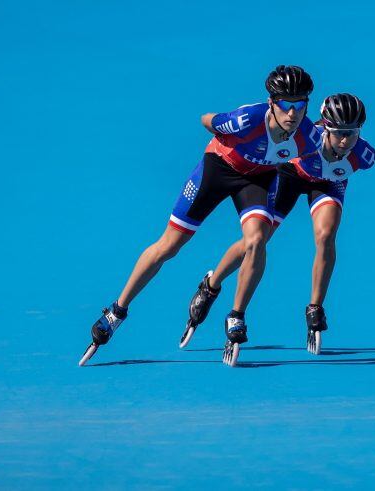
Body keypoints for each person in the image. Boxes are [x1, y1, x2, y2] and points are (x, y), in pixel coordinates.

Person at [79, 65, 319, 366]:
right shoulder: (247, 120)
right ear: (272, 102)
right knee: (169, 247)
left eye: (300, 105)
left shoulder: (309, 136)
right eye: (286, 104)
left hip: (257, 180)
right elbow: (207, 120)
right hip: (217, 170)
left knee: (257, 241)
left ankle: (236, 316)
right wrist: (221, 134)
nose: (293, 113)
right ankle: (116, 310)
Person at [181, 93, 375, 354]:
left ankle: (315, 309)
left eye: (351, 133)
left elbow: (343, 169)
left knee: (326, 236)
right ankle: (211, 285)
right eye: (339, 132)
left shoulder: (365, 156)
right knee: (258, 240)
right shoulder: (309, 141)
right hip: (290, 174)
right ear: (325, 127)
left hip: (328, 183)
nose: (344, 141)